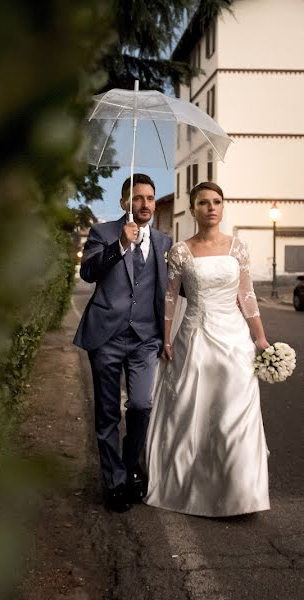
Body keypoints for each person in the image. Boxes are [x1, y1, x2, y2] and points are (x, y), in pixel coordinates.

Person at [144, 181, 270, 517]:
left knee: (235, 415)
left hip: (234, 341)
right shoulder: (181, 251)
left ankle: (242, 495)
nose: (211, 207)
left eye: (217, 201)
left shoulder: (238, 248)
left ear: (223, 206)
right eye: (203, 203)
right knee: (193, 413)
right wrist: (167, 337)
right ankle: (191, 487)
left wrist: (260, 338)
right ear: (193, 208)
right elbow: (170, 296)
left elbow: (247, 296)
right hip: (195, 338)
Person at [74, 174, 172, 512]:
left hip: (146, 338)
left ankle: (130, 466)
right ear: (123, 203)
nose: (145, 204)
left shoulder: (164, 242)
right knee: (107, 414)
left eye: (150, 198)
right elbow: (87, 273)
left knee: (142, 405)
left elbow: (174, 289)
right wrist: (120, 246)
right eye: (138, 198)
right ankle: (114, 482)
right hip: (106, 336)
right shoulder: (104, 232)